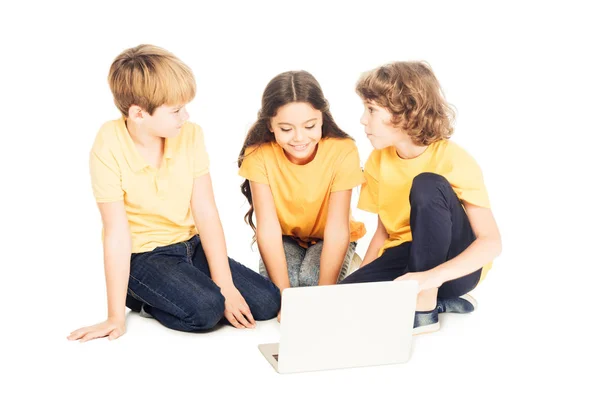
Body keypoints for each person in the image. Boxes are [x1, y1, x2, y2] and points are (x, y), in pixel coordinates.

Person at [68, 44, 280, 342]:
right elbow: (116, 231)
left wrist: (226, 285)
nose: (186, 116)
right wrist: (115, 316)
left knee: (267, 301)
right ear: (139, 114)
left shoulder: (190, 135)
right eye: (176, 110)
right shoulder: (108, 144)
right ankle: (140, 298)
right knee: (207, 310)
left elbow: (206, 211)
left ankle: (184, 290)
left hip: (190, 246)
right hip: (143, 257)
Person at [340, 61, 502, 335]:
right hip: (406, 259)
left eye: (371, 110)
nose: (363, 120)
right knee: (343, 302)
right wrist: (361, 282)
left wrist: (429, 279)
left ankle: (427, 304)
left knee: (427, 184)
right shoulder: (379, 160)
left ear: (406, 112)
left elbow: (491, 242)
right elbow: (383, 231)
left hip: (453, 269)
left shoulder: (453, 159)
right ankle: (435, 300)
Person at [238, 71, 365, 320]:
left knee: (310, 283)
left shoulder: (343, 150)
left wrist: (325, 294)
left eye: (310, 126)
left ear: (322, 119)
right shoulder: (258, 154)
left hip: (330, 237)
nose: (299, 138)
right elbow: (267, 228)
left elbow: (338, 228)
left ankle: (351, 263)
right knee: (287, 291)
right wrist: (284, 296)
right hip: (286, 237)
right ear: (270, 126)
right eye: (286, 129)